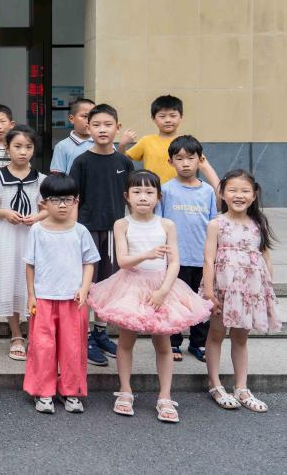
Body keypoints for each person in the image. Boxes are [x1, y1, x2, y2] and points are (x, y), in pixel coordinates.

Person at [88, 171, 212, 423]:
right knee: (126, 342)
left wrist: (163, 291)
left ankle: (165, 396)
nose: (143, 197)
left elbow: (174, 262)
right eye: (137, 192)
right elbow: (123, 261)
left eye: (148, 192)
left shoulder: (166, 225)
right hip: (130, 286)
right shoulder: (122, 224)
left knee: (163, 344)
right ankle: (125, 390)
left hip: (161, 286)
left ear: (158, 197)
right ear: (127, 196)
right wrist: (147, 254)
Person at [202, 169, 281, 413]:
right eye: (233, 190)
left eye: (245, 191)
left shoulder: (258, 223)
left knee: (240, 338)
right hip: (223, 289)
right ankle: (215, 384)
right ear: (222, 193)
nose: (239, 195)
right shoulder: (216, 224)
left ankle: (241, 387)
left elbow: (265, 256)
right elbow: (208, 259)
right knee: (216, 334)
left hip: (249, 290)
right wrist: (209, 292)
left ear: (254, 195)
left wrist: (267, 288)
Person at [23, 172, 99, 415]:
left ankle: (71, 391)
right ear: (44, 202)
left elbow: (89, 262)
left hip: (73, 300)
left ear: (76, 200)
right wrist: (31, 295)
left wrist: (84, 288)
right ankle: (43, 391)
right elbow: (30, 264)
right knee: (42, 347)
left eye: (67, 199)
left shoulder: (80, 231)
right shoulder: (37, 230)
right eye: (55, 200)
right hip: (44, 298)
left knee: (73, 347)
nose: (62, 205)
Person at [68, 103, 135, 366]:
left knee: (108, 285)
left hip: (115, 232)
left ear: (118, 127)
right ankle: (83, 336)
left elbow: (132, 197)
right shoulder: (81, 161)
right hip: (87, 231)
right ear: (88, 128)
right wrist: (73, 232)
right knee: (87, 284)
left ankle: (100, 332)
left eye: (108, 124)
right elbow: (73, 198)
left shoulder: (124, 161)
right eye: (96, 125)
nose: (102, 129)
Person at [0, 125, 47, 362]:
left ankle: (35, 333)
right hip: (7, 236)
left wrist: (36, 217)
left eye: (28, 147)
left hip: (32, 235)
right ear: (7, 148)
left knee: (32, 282)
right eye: (18, 146)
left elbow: (47, 209)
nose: (23, 152)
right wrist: (5, 213)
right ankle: (16, 334)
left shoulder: (40, 179)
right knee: (9, 280)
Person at [159, 135, 218, 363]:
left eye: (191, 158)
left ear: (200, 160)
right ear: (170, 161)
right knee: (174, 301)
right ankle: (173, 342)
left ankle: (198, 343)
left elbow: (213, 224)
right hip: (175, 259)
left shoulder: (208, 192)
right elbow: (159, 225)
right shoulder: (166, 190)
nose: (185, 163)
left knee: (201, 302)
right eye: (179, 158)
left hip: (202, 258)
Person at [118, 94, 220, 187]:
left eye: (173, 115)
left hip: (181, 194)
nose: (168, 120)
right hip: (153, 193)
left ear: (181, 117)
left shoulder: (186, 142)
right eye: (162, 116)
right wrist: (122, 145)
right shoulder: (146, 141)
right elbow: (123, 162)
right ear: (153, 118)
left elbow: (204, 166)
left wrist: (220, 191)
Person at [49, 97, 101, 174]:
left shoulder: (103, 142)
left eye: (93, 116)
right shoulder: (62, 146)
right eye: (85, 116)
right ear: (71, 119)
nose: (89, 120)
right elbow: (57, 177)